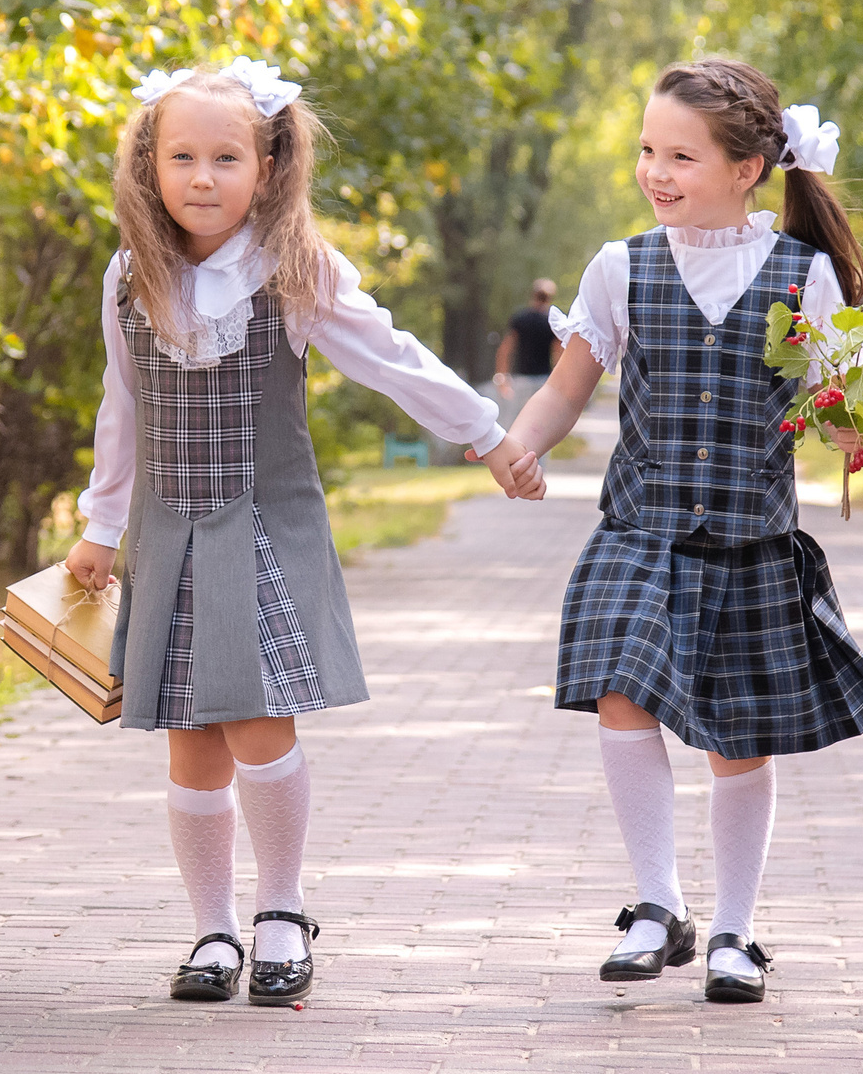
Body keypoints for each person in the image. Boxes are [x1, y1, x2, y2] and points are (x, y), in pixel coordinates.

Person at [65, 58, 541, 1008]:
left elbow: (391, 358)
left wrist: (487, 434)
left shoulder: (294, 271)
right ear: (148, 166)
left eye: (227, 157)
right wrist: (100, 522)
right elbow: (122, 404)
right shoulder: (130, 277)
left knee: (254, 718)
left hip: (262, 523)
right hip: (166, 530)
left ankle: (280, 910)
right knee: (190, 737)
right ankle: (212, 929)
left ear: (271, 164)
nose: (204, 177)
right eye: (183, 156)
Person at [501, 57, 863, 1005]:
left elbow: (840, 405)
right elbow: (570, 384)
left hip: (749, 543)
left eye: (681, 154)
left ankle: (736, 931)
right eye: (647, 150)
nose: (656, 171)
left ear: (748, 166)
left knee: (738, 739)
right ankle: (655, 905)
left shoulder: (804, 278)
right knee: (618, 692)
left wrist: (857, 424)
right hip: (639, 530)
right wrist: (521, 441)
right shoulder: (621, 267)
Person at [492, 279, 562, 425]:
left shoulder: (520, 319)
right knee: (542, 423)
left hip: (521, 378)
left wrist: (502, 376)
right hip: (544, 380)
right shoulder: (551, 322)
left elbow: (505, 349)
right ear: (550, 298)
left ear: (533, 295)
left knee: (517, 422)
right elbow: (558, 354)